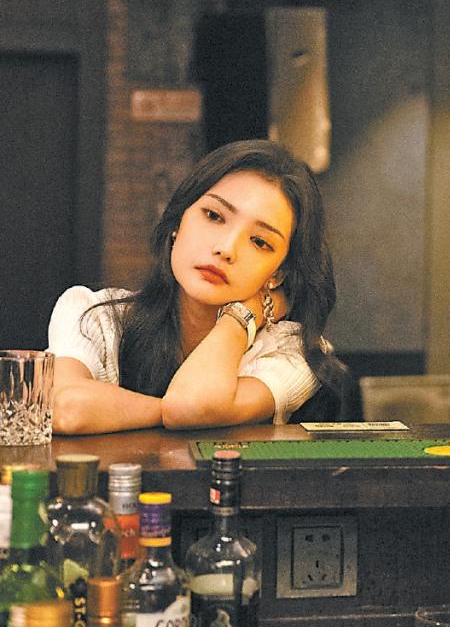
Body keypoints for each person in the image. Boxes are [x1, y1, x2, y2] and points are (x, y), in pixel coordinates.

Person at [48, 140, 348, 434]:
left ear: (277, 274)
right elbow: (66, 409)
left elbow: (193, 405)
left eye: (259, 242)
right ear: (178, 222)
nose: (226, 248)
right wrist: (169, 410)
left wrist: (243, 316)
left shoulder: (292, 352)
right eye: (214, 216)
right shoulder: (95, 316)